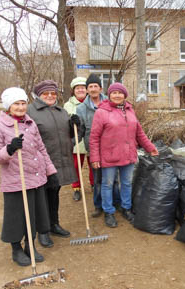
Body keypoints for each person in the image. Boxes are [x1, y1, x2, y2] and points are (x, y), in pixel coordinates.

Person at [0, 87, 57, 267]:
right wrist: (9, 149)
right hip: (15, 181)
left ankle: (30, 246)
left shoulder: (30, 123)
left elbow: (41, 149)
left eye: (23, 103)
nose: (20, 107)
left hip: (36, 178)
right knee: (16, 217)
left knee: (33, 216)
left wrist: (51, 171)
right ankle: (16, 249)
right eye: (16, 103)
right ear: (8, 106)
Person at [89, 82, 159, 228]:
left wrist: (150, 147)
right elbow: (94, 137)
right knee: (107, 184)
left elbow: (139, 133)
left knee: (127, 183)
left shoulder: (129, 110)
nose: (117, 95)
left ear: (124, 95)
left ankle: (126, 208)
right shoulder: (101, 112)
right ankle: (109, 212)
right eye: (114, 93)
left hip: (128, 155)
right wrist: (94, 158)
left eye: (120, 93)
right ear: (109, 95)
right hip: (109, 156)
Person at [27, 80, 81, 248]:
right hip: (40, 163)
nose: (50, 96)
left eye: (53, 93)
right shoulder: (30, 112)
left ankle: (53, 224)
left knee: (54, 195)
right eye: (45, 93)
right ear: (38, 95)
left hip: (59, 161)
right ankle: (42, 231)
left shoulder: (62, 112)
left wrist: (77, 126)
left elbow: (71, 137)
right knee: (41, 198)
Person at [77, 74, 121, 218]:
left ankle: (115, 203)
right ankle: (98, 205)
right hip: (93, 149)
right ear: (87, 90)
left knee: (114, 179)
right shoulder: (81, 108)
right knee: (97, 180)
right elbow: (81, 130)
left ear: (101, 88)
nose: (93, 89)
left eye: (96, 86)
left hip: (112, 148)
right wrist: (75, 130)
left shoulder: (110, 103)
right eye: (90, 86)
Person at [63, 76, 89, 202]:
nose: (80, 90)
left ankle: (95, 185)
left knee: (94, 166)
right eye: (77, 88)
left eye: (83, 88)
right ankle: (76, 188)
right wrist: (70, 122)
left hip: (91, 139)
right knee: (75, 166)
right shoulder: (68, 105)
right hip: (76, 142)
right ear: (73, 90)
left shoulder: (92, 102)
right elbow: (64, 123)